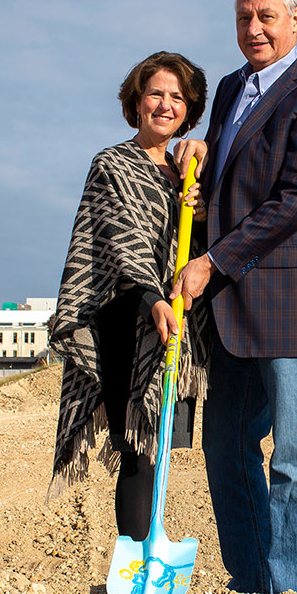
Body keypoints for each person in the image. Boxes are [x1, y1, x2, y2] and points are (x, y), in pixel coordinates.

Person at [171, 0, 297, 594]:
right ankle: (254, 582)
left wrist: (213, 261)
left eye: (267, 16)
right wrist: (203, 155)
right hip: (232, 307)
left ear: (295, 20)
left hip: (293, 303)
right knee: (226, 448)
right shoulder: (229, 89)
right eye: (244, 17)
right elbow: (234, 173)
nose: (254, 28)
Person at [47, 51, 209, 543]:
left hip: (179, 329)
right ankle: (137, 556)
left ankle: (151, 550)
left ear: (189, 109)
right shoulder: (112, 165)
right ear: (136, 102)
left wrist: (201, 214)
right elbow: (118, 241)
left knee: (161, 445)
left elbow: (203, 247)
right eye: (156, 93)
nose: (165, 104)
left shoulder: (192, 174)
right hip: (125, 323)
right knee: (138, 448)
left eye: (177, 97)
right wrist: (149, 298)